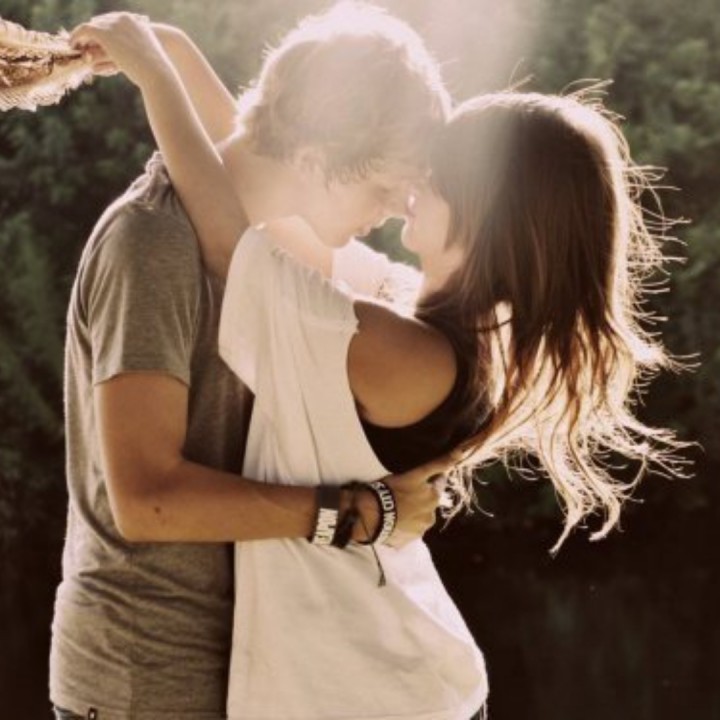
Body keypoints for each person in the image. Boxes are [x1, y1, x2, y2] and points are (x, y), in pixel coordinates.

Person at [71, 5, 687, 720]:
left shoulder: (398, 352)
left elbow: (235, 244)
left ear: (490, 214)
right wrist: (178, 54)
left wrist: (155, 79)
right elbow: (269, 179)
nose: (408, 194)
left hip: (377, 698)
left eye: (438, 175)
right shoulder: (407, 313)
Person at [50, 5, 463, 720]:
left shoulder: (270, 247)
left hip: (254, 673)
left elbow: (248, 154)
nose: (391, 215)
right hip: (148, 683)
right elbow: (145, 500)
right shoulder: (152, 244)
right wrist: (360, 513)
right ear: (315, 160)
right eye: (381, 191)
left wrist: (172, 57)